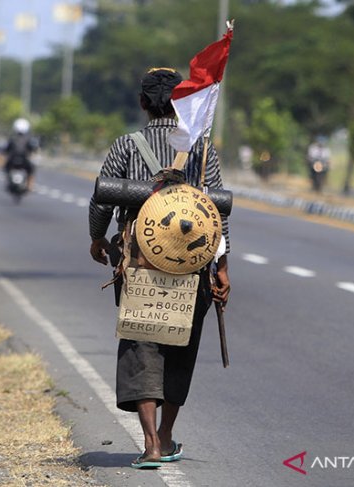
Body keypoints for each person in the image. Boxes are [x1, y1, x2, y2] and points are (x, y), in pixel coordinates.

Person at [88, 68, 231, 469]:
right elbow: (217, 213)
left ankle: (150, 443)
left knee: (140, 343)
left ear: (142, 104)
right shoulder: (202, 149)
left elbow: (101, 199)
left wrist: (98, 238)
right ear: (181, 102)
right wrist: (222, 266)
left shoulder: (125, 145)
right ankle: (166, 435)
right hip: (193, 264)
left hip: (136, 262)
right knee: (180, 347)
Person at [3, 118, 37, 191]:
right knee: (31, 170)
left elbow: (6, 149)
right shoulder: (29, 139)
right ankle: (30, 186)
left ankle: (8, 182)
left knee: (6, 168)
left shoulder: (12, 138)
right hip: (24, 160)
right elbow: (33, 149)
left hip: (12, 160)